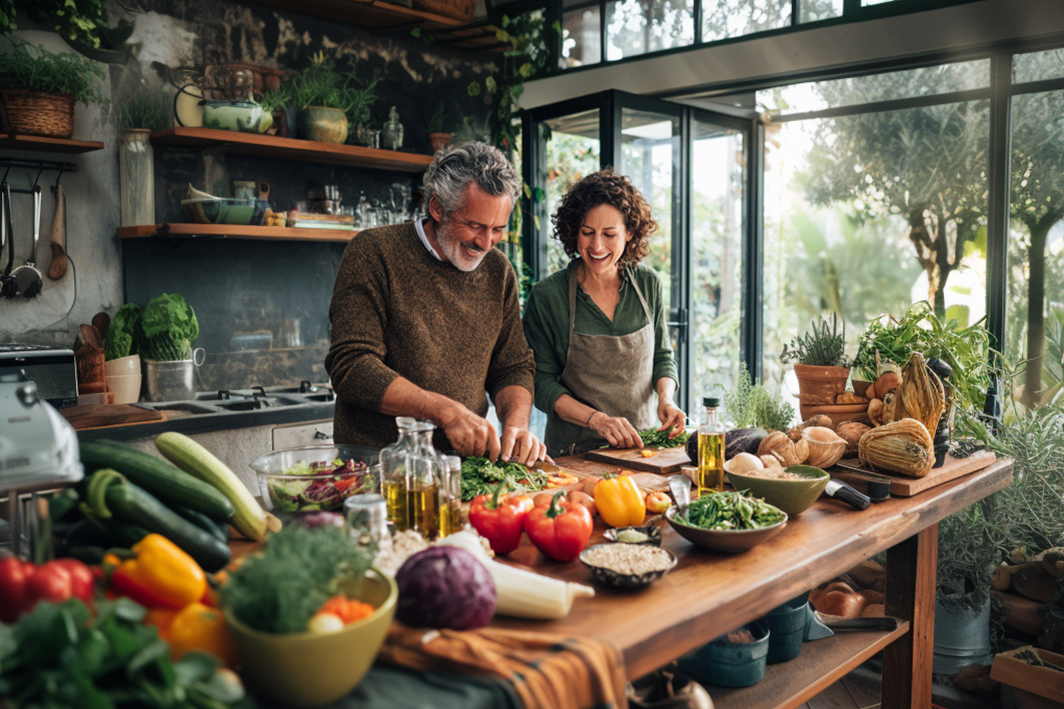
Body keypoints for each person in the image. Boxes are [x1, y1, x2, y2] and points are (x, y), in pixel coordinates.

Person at [325, 142, 546, 465]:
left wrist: (516, 427)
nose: (486, 244)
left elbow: (512, 367)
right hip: (377, 465)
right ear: (437, 208)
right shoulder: (373, 252)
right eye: (475, 226)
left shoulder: (499, 271)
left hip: (466, 466)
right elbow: (352, 367)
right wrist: (444, 412)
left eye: (497, 229)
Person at [522, 168, 687, 457]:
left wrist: (667, 398)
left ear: (630, 233)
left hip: (643, 448)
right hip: (574, 453)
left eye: (609, 234)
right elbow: (539, 382)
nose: (596, 246)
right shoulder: (548, 296)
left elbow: (662, 356)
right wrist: (596, 420)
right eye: (587, 233)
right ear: (574, 232)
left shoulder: (648, 284)